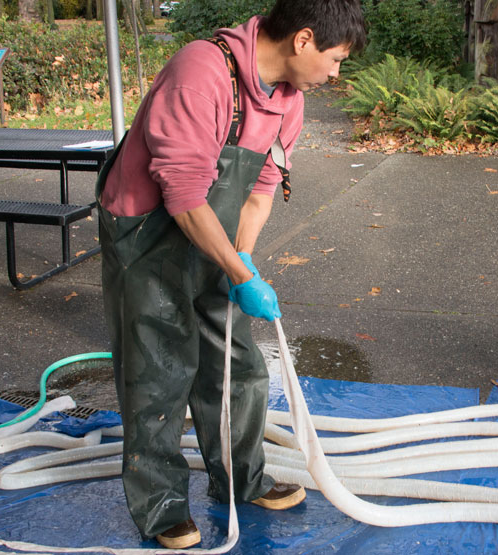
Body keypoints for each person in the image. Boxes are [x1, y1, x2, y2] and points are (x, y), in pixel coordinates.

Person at [95, 0, 366, 549]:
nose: (336, 73)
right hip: (147, 235)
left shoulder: (288, 100)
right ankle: (162, 505)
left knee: (238, 365)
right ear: (304, 40)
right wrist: (237, 270)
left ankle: (242, 480)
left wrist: (242, 266)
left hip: (211, 234)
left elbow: (260, 189)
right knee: (159, 368)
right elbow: (184, 194)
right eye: (336, 59)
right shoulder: (201, 74)